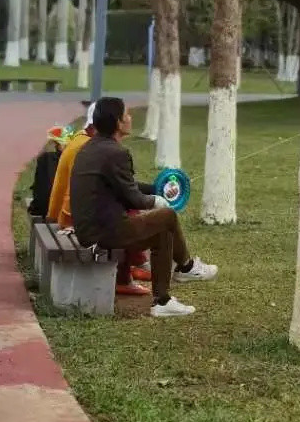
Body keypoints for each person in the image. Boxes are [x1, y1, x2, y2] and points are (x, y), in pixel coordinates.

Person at [70, 97, 217, 319]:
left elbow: (124, 186)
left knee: (161, 233)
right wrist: (157, 201)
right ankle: (186, 267)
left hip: (89, 229)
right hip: (103, 232)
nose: (131, 118)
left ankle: (162, 301)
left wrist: (158, 190)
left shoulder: (93, 147)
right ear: (118, 123)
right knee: (166, 216)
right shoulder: (115, 153)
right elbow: (134, 198)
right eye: (127, 115)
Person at [47, 103, 151, 298]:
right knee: (130, 214)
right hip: (73, 218)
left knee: (125, 209)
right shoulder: (89, 147)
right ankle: (133, 270)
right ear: (112, 122)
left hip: (72, 213)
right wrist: (154, 198)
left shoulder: (85, 141)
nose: (130, 118)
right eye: (125, 115)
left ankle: (132, 268)